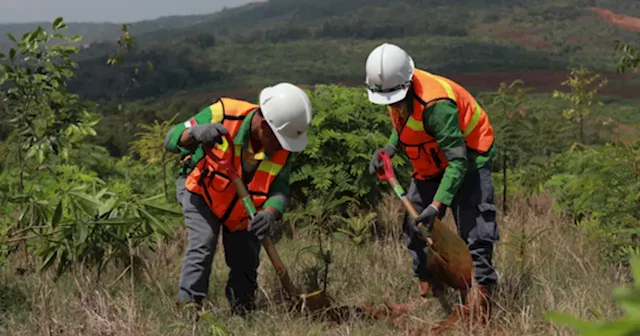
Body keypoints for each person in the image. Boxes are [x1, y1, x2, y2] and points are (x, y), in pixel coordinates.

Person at [364, 43, 499, 330]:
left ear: (408, 82)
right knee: (414, 226)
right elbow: (403, 123)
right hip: (430, 160)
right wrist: (389, 148)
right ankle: (430, 291)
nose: (391, 104)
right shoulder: (396, 94)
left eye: (394, 98)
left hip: (468, 158)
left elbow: (458, 163)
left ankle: (480, 299)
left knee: (475, 230)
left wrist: (436, 207)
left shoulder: (437, 104)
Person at [163, 83, 313, 317]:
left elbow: (280, 188)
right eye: (277, 140)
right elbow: (170, 138)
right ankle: (188, 311)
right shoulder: (223, 113)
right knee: (204, 242)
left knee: (245, 257)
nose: (280, 147)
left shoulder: (283, 146)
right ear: (264, 124)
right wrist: (194, 133)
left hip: (243, 208)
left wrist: (270, 213)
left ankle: (243, 313)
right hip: (201, 190)